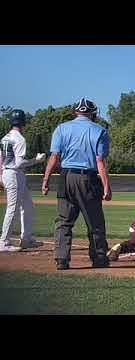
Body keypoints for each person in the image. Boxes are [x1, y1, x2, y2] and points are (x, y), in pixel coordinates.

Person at [42, 98, 112, 270]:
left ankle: (61, 259)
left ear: (75, 112)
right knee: (95, 222)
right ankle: (99, 258)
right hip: (87, 178)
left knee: (64, 221)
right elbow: (100, 161)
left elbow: (54, 156)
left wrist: (45, 180)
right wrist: (106, 186)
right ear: (92, 113)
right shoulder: (100, 130)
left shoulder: (61, 128)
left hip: (65, 177)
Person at [0, 109, 46, 252]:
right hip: (14, 173)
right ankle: (4, 242)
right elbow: (19, 163)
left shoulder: (5, 137)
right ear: (23, 122)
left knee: (27, 206)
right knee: (12, 208)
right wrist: (36, 160)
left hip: (8, 172)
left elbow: (1, 159)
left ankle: (26, 238)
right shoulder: (20, 139)